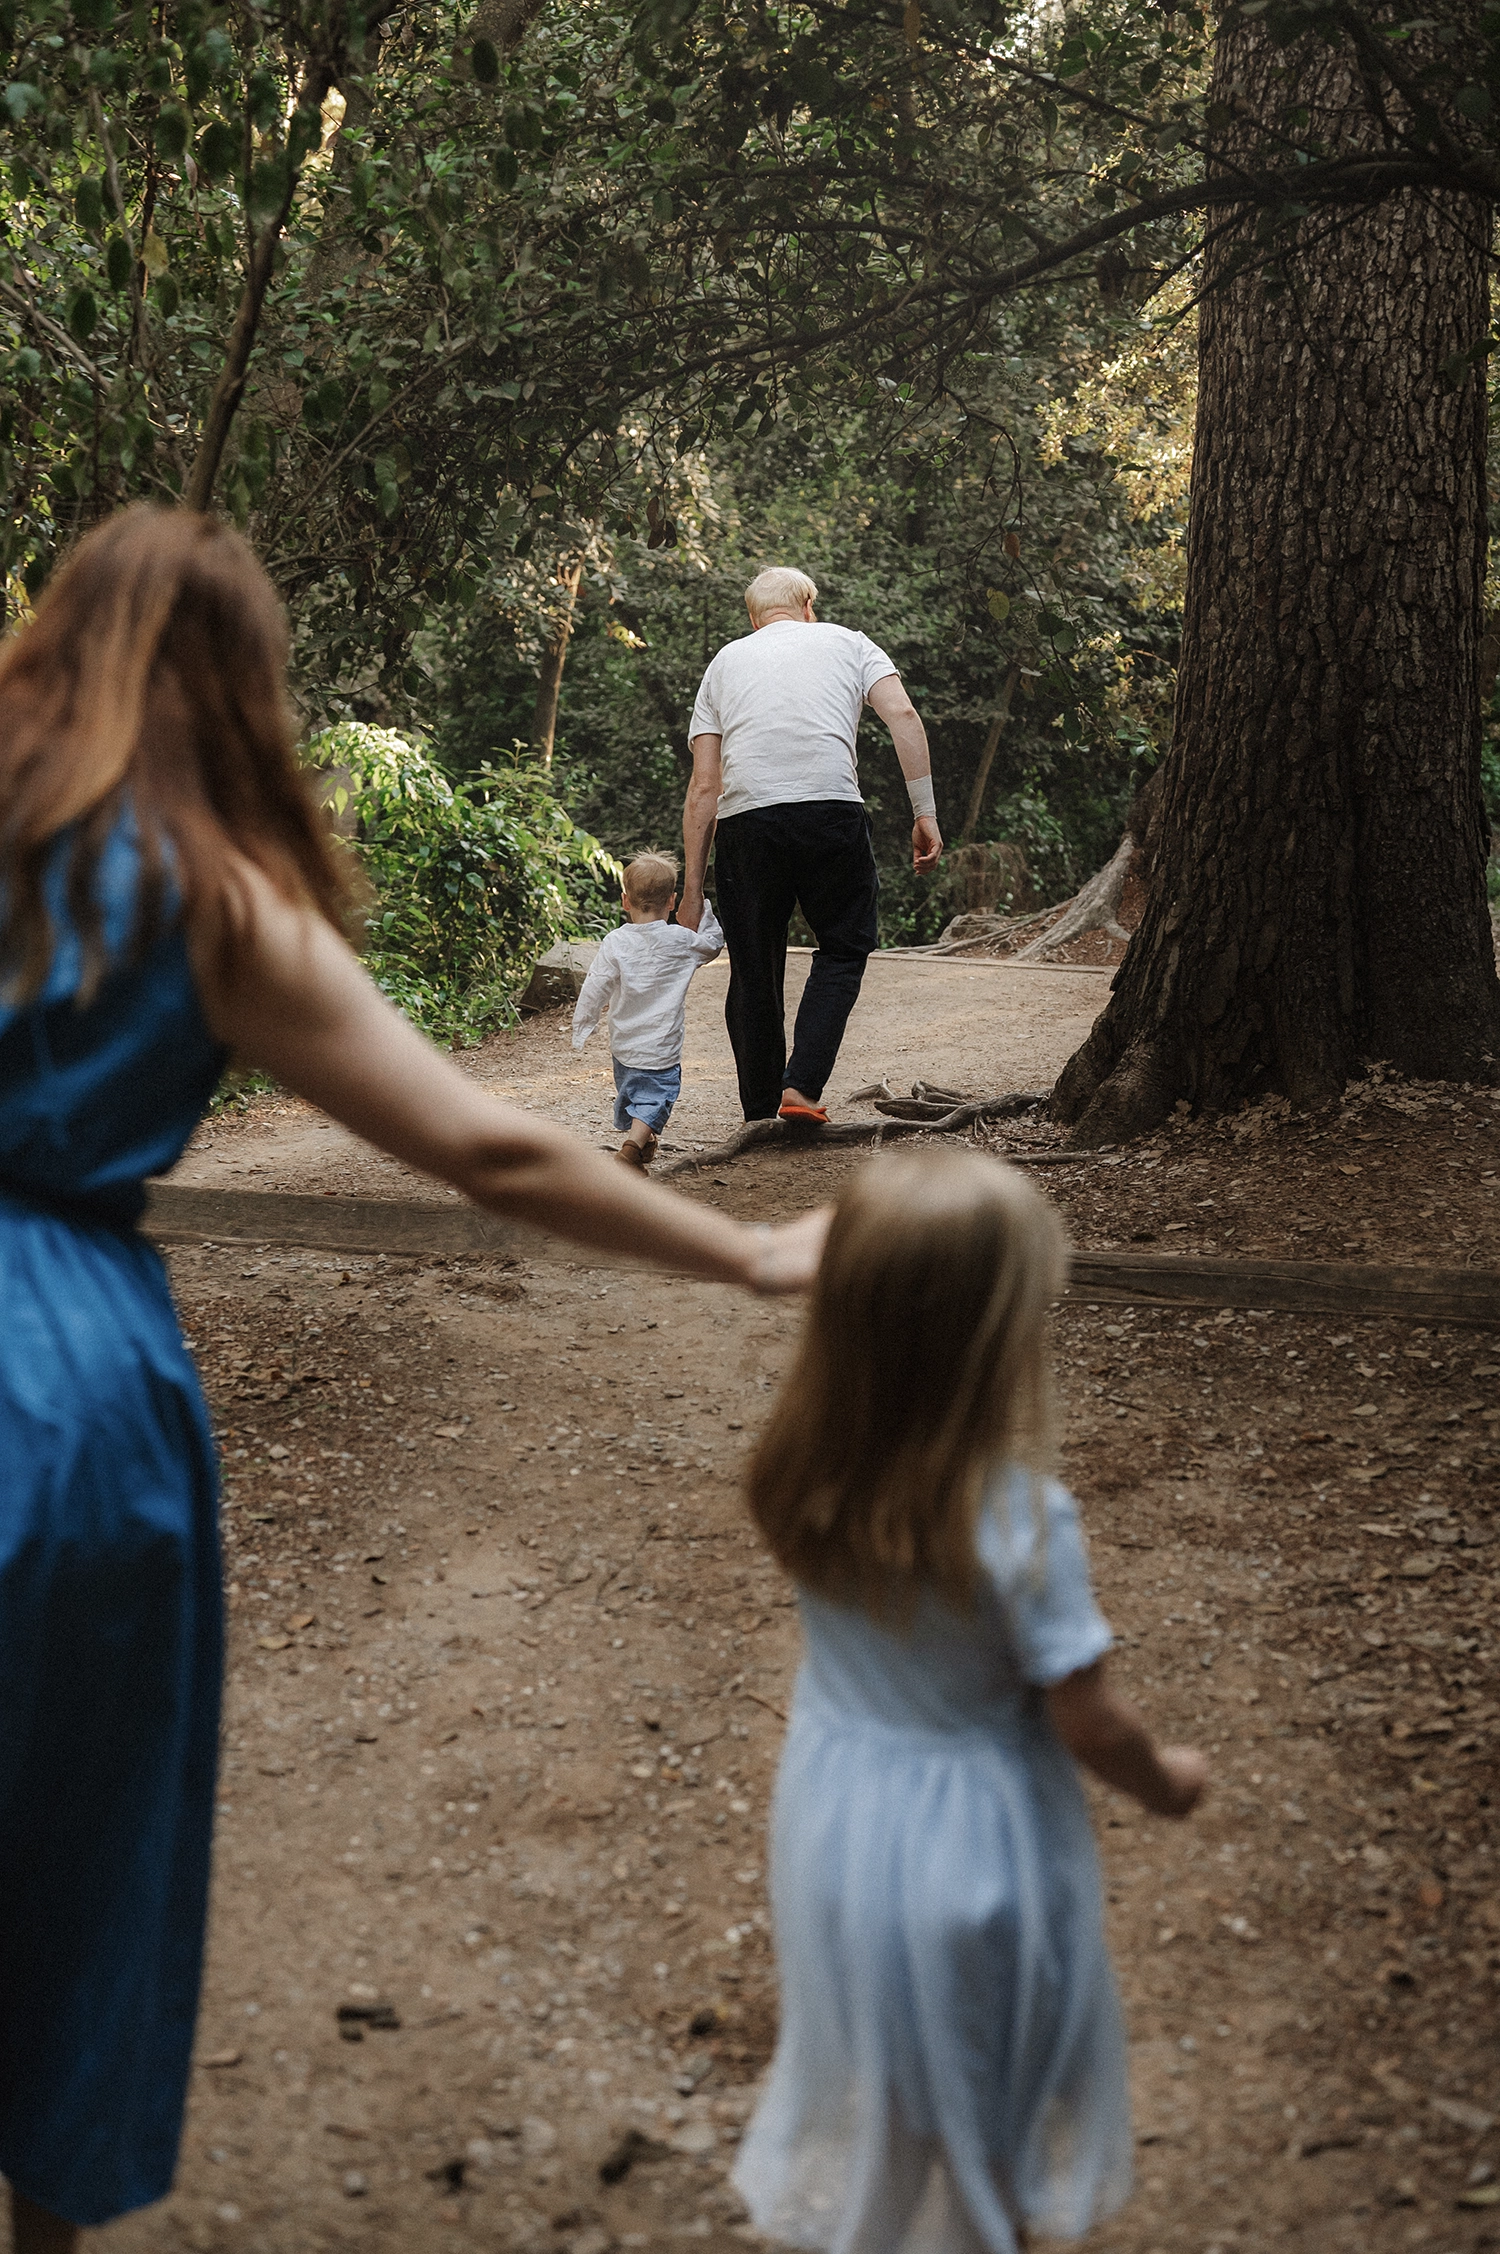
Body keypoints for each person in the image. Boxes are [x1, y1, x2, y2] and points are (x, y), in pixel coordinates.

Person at [0, 508, 825, 2254]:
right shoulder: (213, 890)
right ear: (244, 693)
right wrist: (756, 1256)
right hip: (62, 1402)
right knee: (73, 1832)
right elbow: (490, 1153)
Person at [733, 1150, 1208, 2254]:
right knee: (991, 2089)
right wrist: (1169, 1781)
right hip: (975, 1845)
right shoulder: (1022, 1520)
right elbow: (1086, 1717)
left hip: (838, 1818)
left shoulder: (802, 1467)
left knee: (894, 2059)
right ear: (995, 1340)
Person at [679, 566, 943, 1126]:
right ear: (808, 605)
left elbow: (705, 785)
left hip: (747, 825)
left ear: (754, 618)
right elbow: (903, 714)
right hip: (831, 812)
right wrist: (924, 812)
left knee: (753, 964)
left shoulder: (725, 662)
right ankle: (800, 1086)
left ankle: (758, 1113)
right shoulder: (850, 643)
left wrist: (692, 889)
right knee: (845, 947)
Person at [571, 850, 723, 1167]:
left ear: (625, 901)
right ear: (672, 901)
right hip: (661, 1045)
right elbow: (712, 944)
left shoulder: (615, 942)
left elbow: (595, 984)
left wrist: (583, 1025)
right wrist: (705, 912)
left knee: (635, 1096)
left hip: (624, 1044)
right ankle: (630, 1150)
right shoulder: (681, 940)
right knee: (656, 1096)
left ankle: (637, 1153)